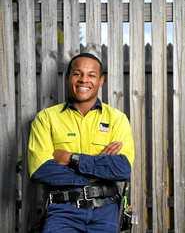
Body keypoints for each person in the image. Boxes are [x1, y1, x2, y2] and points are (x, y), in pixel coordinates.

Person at [28, 52, 135, 233]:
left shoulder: (117, 119)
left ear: (101, 81)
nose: (84, 80)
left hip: (106, 212)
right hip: (62, 212)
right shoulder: (46, 118)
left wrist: (71, 158)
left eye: (91, 75)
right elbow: (41, 171)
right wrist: (99, 169)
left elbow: (122, 169)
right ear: (68, 77)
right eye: (77, 74)